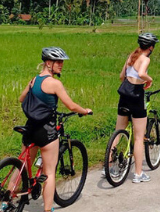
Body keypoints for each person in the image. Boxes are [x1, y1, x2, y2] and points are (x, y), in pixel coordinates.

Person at [18, 47, 92, 212]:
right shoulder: (55, 83)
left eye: (62, 61)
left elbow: (22, 98)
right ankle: (47, 209)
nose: (61, 64)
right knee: (49, 173)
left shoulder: (34, 80)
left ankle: (7, 199)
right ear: (48, 63)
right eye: (58, 61)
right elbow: (71, 105)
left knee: (22, 167)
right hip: (46, 131)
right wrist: (85, 111)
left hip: (30, 127)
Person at [110, 32, 157, 183]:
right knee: (138, 137)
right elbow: (142, 73)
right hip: (136, 96)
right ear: (151, 47)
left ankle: (109, 167)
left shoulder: (132, 56)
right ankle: (138, 174)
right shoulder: (145, 59)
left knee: (118, 132)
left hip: (124, 95)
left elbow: (121, 76)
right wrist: (149, 79)